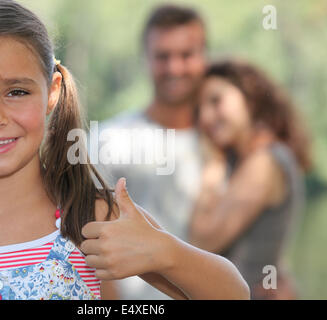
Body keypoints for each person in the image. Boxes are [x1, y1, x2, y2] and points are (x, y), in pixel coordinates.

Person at [0, 0, 249, 300]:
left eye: (17, 91)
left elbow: (234, 294)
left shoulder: (94, 217)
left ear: (51, 92)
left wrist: (166, 253)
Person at [98, 4, 208, 299]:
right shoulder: (108, 140)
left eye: (186, 55)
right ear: (146, 60)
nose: (175, 68)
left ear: (204, 57)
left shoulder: (225, 141)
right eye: (163, 57)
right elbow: (85, 240)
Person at [189, 59, 311, 299]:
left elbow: (200, 244)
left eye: (216, 100)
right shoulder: (243, 161)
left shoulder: (264, 162)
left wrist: (213, 168)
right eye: (199, 109)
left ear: (250, 98)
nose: (205, 117)